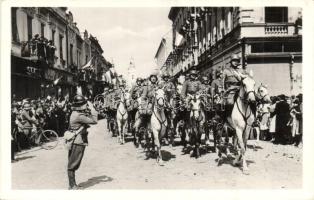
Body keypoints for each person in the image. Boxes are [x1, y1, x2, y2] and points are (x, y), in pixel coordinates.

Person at [67, 95, 97, 190]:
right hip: (78, 141)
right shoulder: (79, 115)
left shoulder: (75, 113)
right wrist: (92, 109)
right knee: (73, 164)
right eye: (85, 104)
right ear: (81, 105)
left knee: (72, 162)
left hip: (75, 140)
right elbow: (94, 120)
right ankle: (72, 186)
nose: (86, 106)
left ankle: (72, 185)